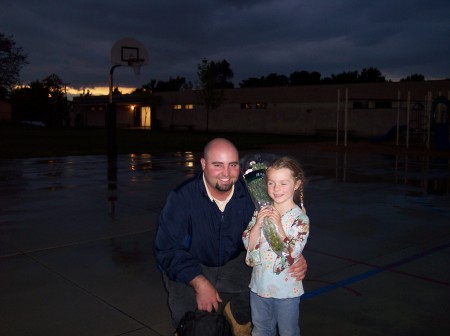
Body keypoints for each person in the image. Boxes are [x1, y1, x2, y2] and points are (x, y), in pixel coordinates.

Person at [154, 138, 307, 336]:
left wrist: (296, 255)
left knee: (268, 286)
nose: (226, 174)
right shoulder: (182, 198)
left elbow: (279, 228)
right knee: (197, 328)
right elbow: (167, 249)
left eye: (233, 165)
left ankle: (237, 314)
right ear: (203, 165)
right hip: (192, 265)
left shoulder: (252, 195)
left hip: (234, 262)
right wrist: (199, 282)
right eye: (218, 165)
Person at [242, 156, 310, 336]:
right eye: (271, 183)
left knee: (288, 331)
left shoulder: (300, 219)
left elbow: (293, 252)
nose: (276, 189)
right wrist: (257, 224)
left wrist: (279, 226)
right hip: (259, 286)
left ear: (296, 184)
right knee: (261, 329)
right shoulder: (260, 210)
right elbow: (248, 242)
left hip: (285, 290)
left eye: (283, 183)